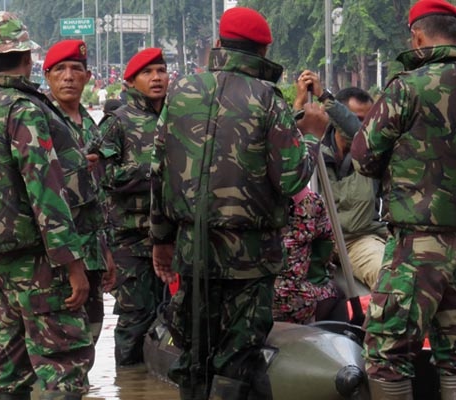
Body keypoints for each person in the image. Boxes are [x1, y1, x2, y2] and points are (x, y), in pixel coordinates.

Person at [150, 6, 329, 399]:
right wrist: (313, 137)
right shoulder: (268, 98)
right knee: (239, 357)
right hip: (250, 257)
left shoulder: (181, 91)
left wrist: (161, 238)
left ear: (218, 45)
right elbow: (291, 179)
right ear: (264, 51)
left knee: (194, 350)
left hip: (191, 249)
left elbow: (160, 171)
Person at [350, 0, 456, 398]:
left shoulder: (407, 85)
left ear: (416, 37)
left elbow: (363, 156)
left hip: (420, 239)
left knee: (388, 347)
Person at [0, 11, 95, 399]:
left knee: (10, 369)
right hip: (40, 264)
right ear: (27, 58)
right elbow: (46, 194)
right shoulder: (22, 109)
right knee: (64, 370)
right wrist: (73, 265)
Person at [98, 47, 169, 366]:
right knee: (135, 319)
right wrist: (149, 169)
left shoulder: (179, 117)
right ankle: (128, 382)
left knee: (175, 318)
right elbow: (100, 175)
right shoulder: (117, 122)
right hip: (131, 240)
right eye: (148, 72)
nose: (157, 78)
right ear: (130, 81)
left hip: (173, 238)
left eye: (161, 71)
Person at [42, 39, 117, 343]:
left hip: (92, 254)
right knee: (60, 349)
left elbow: (98, 199)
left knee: (91, 338)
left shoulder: (89, 124)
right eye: (60, 69)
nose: (69, 76)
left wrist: (107, 253)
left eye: (76, 69)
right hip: (57, 256)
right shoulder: (40, 121)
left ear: (88, 77)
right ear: (47, 76)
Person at [294, 71, 387, 289]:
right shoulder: (314, 144)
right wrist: (299, 105)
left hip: (359, 240)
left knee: (388, 280)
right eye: (357, 118)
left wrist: (324, 96)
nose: (365, 126)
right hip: (315, 243)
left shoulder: (374, 150)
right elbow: (287, 142)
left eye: (368, 120)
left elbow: (359, 135)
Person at [273, 186, 347, 324]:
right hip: (293, 300)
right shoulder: (311, 202)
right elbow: (326, 246)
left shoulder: (248, 199)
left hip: (252, 299)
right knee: (338, 291)